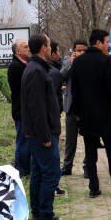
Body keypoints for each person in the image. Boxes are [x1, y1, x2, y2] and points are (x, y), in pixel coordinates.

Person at [70, 29, 111, 198]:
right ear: (98, 43)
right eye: (107, 42)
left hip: (86, 116)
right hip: (106, 114)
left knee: (90, 153)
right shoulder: (105, 61)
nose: (108, 45)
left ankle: (93, 188)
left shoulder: (77, 62)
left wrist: (78, 113)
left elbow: (74, 91)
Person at [21, 33, 66, 220]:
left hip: (39, 133)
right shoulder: (36, 71)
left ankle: (39, 212)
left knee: (39, 171)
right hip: (42, 134)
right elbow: (37, 108)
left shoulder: (36, 68)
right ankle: (45, 218)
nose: (50, 48)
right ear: (42, 47)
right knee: (51, 173)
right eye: (48, 45)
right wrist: (45, 136)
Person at [61, 39, 88, 176]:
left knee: (89, 140)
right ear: (74, 51)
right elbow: (62, 76)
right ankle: (67, 166)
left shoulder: (91, 62)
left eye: (84, 50)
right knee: (70, 141)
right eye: (78, 50)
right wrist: (72, 62)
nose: (81, 53)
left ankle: (87, 167)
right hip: (71, 107)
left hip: (87, 108)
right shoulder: (68, 61)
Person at [7, 39, 31, 176]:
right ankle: (21, 171)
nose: (28, 49)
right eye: (25, 47)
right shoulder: (15, 67)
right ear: (18, 51)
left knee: (27, 141)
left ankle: (25, 168)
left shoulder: (25, 64)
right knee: (22, 142)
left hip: (25, 110)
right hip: (21, 111)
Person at [47, 40, 66, 197]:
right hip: (50, 122)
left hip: (51, 119)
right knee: (52, 156)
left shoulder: (52, 70)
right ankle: (52, 185)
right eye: (58, 51)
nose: (59, 55)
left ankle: (53, 184)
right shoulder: (52, 73)